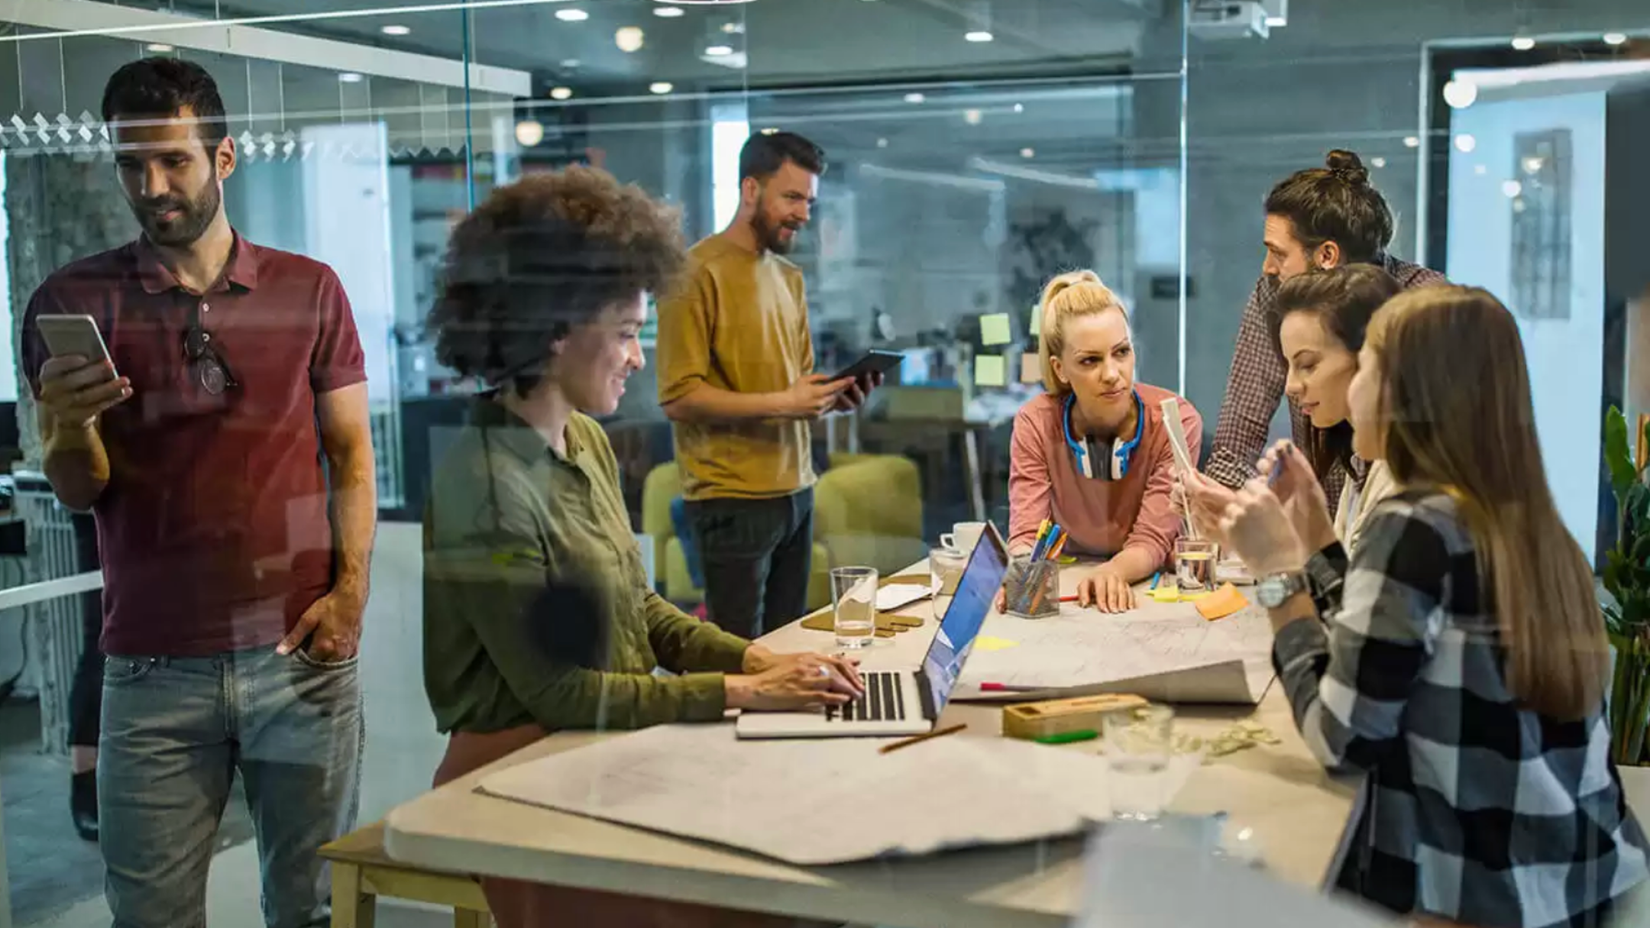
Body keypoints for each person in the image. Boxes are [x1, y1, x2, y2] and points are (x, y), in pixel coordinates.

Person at [422, 166, 864, 928]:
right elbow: (561, 693)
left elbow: (638, 604)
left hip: (601, 742)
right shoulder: (484, 487)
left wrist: (756, 659)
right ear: (554, 327)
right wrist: (744, 693)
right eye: (626, 335)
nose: (636, 357)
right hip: (517, 773)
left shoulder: (585, 439)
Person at [22, 58, 376, 928]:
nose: (152, 187)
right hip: (149, 670)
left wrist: (350, 597)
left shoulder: (310, 288)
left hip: (299, 658)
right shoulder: (72, 301)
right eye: (132, 166)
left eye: (173, 161)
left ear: (223, 159)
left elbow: (352, 457)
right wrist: (65, 425)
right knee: (151, 917)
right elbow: (81, 491)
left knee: (314, 909)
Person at [1200, 286, 1649, 926]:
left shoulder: (1415, 524)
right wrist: (1321, 541)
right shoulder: (1529, 522)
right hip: (1576, 884)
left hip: (1480, 897)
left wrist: (1277, 577)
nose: (1351, 390)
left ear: (1406, 392)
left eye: (1369, 366)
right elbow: (1389, 653)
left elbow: (1341, 738)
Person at [656, 131, 877, 638]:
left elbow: (792, 389)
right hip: (731, 499)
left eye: (809, 202)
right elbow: (678, 396)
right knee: (741, 660)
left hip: (796, 492)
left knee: (788, 652)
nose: (803, 213)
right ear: (750, 190)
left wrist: (831, 398)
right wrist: (787, 400)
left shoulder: (789, 277)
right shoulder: (692, 274)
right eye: (792, 197)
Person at [1206, 149, 1445, 503]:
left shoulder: (1426, 307)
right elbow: (1239, 433)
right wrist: (1214, 511)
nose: (1267, 269)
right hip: (1332, 522)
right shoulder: (1274, 293)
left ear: (1327, 256)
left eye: (1279, 253)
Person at [1008, 271, 1201, 613]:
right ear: (1060, 368)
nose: (1112, 373)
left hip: (1145, 582)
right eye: (1090, 360)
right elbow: (1026, 537)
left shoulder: (1176, 421)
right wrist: (1022, 573)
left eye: (1121, 352)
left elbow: (1153, 539)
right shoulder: (1035, 423)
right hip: (1067, 585)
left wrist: (1112, 572)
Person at [1187, 265, 1402, 556]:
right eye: (1288, 366)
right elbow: (1334, 589)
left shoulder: (1405, 479)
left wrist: (1269, 550)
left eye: (1308, 365)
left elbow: (1345, 600)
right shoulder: (1360, 465)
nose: (1290, 386)